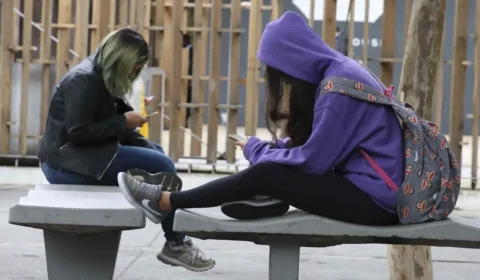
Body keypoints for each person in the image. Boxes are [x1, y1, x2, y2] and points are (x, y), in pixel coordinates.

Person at [117, 10, 402, 243]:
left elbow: (312, 161)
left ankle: (166, 201)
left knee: (265, 172)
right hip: (376, 189)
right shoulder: (343, 72)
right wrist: (271, 148)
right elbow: (326, 141)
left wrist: (258, 150)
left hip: (378, 201)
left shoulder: (336, 91)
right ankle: (261, 193)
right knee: (268, 170)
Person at [37, 28, 215, 271]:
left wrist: (146, 145)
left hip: (84, 155)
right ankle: (175, 243)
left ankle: (156, 203)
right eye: (135, 66)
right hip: (66, 163)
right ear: (122, 60)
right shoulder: (85, 79)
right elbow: (78, 132)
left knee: (158, 156)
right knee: (164, 167)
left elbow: (121, 128)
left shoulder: (102, 76)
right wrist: (124, 122)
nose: (135, 72)